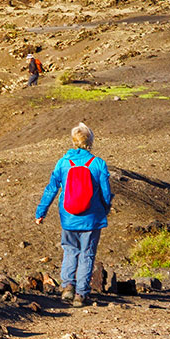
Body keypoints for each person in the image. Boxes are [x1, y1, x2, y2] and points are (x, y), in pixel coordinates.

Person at [34, 122, 112, 304]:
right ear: (90, 141)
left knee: (70, 251)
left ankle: (68, 286)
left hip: (69, 217)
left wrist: (41, 212)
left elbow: (51, 189)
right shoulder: (98, 164)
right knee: (87, 254)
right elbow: (106, 193)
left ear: (73, 141)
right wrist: (104, 209)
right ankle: (81, 294)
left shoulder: (63, 163)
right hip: (92, 219)